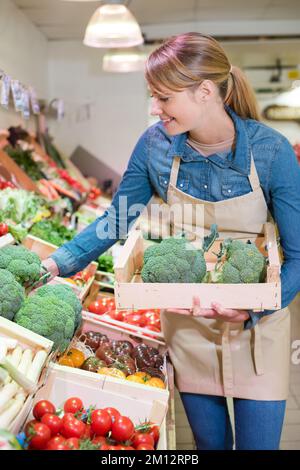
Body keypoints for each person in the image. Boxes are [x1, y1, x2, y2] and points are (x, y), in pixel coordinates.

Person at [43, 33, 300, 450]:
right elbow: (117, 219)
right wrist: (57, 263)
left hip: (259, 329)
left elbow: (299, 255)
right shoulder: (155, 147)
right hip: (188, 323)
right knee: (209, 446)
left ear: (204, 92)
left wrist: (257, 307)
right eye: (152, 96)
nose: (154, 108)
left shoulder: (271, 151)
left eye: (163, 97)